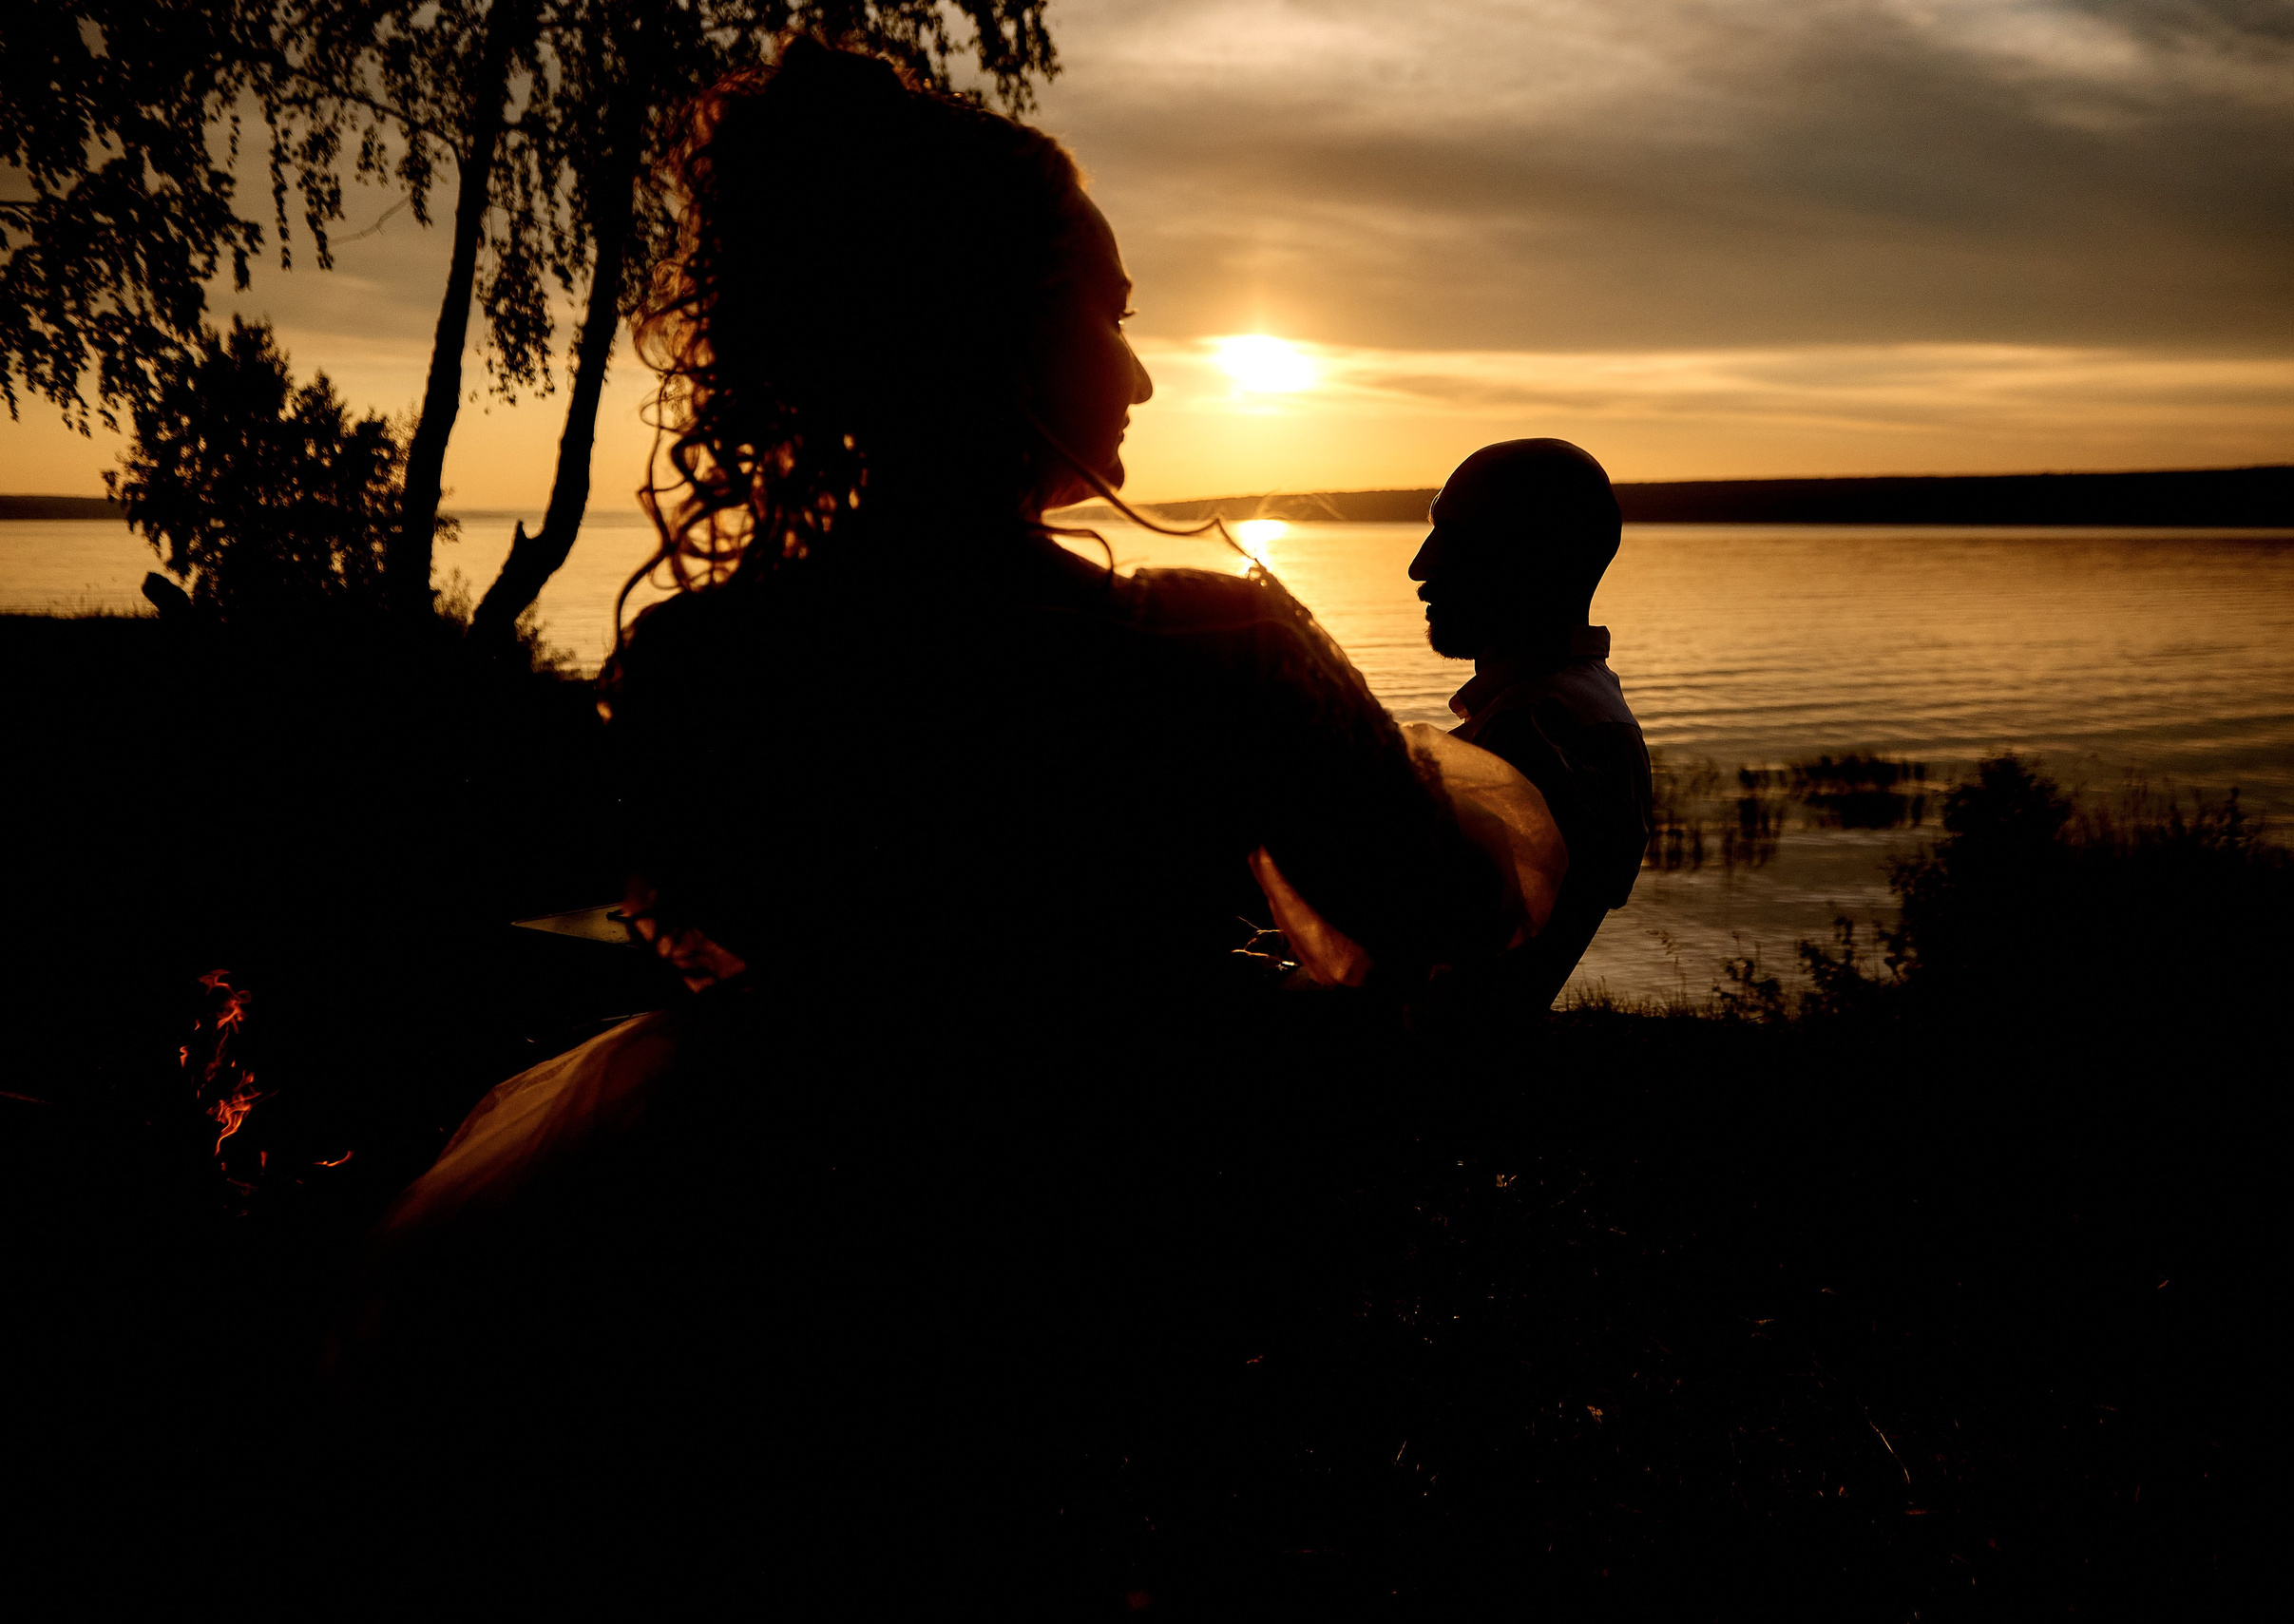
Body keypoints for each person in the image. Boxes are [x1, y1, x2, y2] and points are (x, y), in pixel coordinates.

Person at [334, 37, 1555, 1608]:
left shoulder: (704, 664)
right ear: (991, 328)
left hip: (759, 1263)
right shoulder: (1203, 646)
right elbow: (1443, 909)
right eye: (1111, 316)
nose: (1142, 377)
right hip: (1101, 1270)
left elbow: (716, 921)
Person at [1409, 439, 1655, 1008]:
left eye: (1455, 537)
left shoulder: (1534, 729)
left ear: (1535, 556)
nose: (1421, 566)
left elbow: (1445, 989)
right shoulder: (1584, 702)